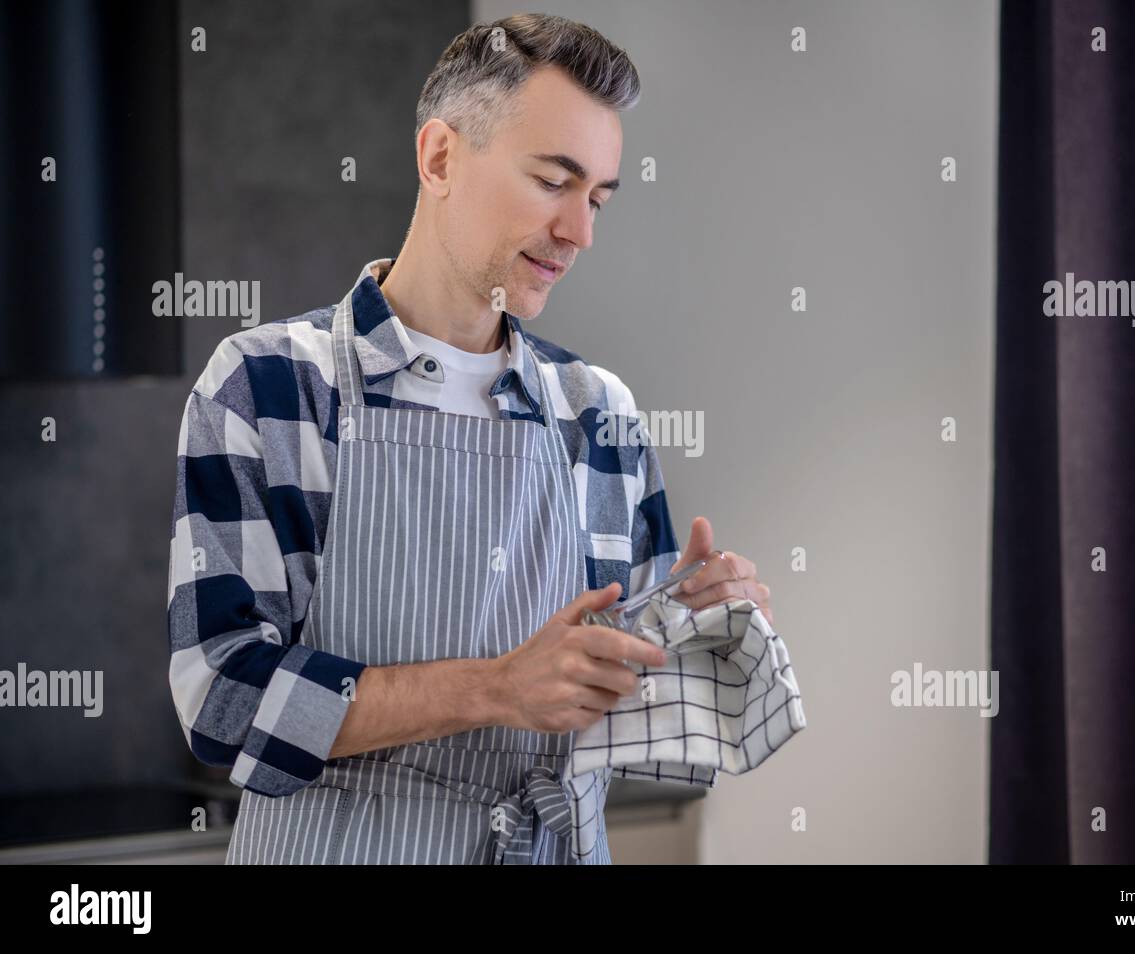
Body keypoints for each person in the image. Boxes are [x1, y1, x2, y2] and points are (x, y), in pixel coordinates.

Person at [166, 12, 772, 865]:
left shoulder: (599, 415)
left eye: (597, 197)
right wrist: (495, 689)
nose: (580, 233)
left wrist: (702, 628)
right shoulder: (269, 387)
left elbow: (629, 712)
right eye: (554, 181)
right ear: (441, 157)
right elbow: (220, 700)